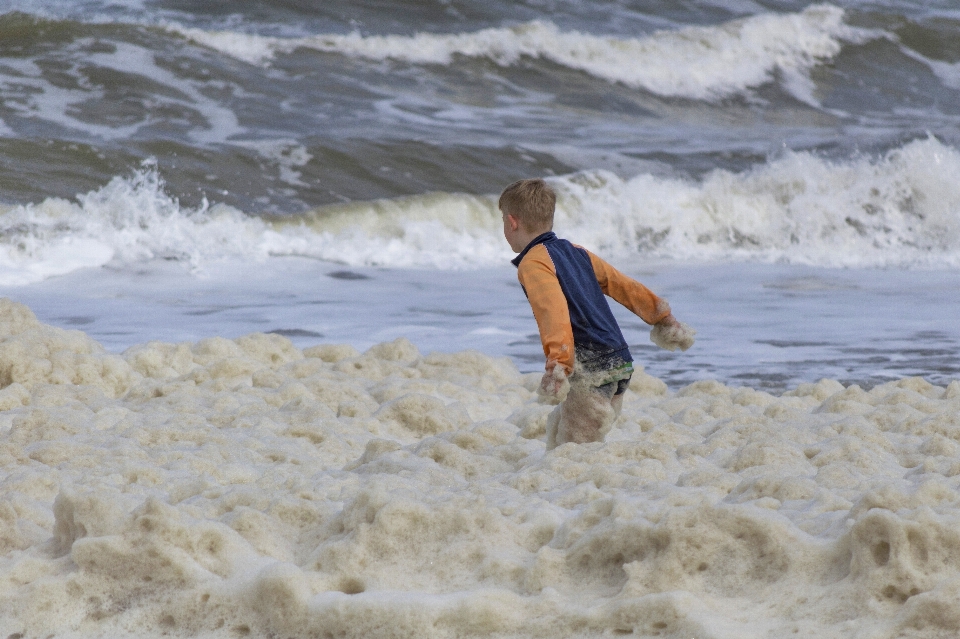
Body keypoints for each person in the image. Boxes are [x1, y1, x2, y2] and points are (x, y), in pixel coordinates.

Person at [500, 178, 695, 449]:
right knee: (566, 436)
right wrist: (663, 317)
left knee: (574, 452)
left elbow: (553, 313)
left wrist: (558, 365)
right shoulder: (577, 252)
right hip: (620, 362)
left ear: (512, 222)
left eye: (502, 222)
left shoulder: (532, 263)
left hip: (591, 366)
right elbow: (623, 285)